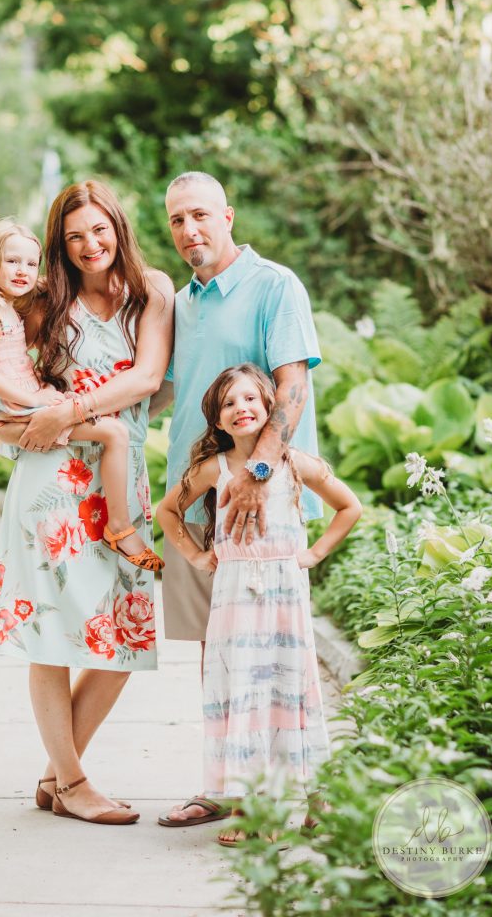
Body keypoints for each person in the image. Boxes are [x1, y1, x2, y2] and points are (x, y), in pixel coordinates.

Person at [0, 182, 174, 825]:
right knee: (54, 635)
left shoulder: (152, 293)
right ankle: (74, 782)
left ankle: (57, 777)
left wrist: (71, 408)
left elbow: (147, 378)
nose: (90, 245)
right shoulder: (42, 301)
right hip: (53, 483)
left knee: (128, 634)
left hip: (122, 479)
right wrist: (12, 427)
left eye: (99, 229)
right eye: (73, 237)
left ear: (119, 225)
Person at [153, 170, 323, 826]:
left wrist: (256, 472)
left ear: (227, 217)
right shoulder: (182, 302)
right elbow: (165, 388)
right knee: (216, 656)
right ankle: (224, 786)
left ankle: (298, 795)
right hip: (198, 503)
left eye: (198, 215)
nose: (188, 230)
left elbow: (290, 387)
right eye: (175, 220)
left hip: (264, 508)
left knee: (279, 656)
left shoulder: (273, 285)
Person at [156, 364, 361, 845]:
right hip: (234, 597)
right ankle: (253, 806)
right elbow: (168, 511)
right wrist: (195, 554)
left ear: (269, 408)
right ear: (218, 421)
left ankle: (316, 802)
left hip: (286, 594)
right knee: (243, 692)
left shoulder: (294, 463)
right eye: (229, 404)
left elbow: (349, 505)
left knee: (293, 688)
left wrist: (313, 553)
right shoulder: (214, 468)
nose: (241, 409)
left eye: (250, 399)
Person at [0, 217, 163, 571]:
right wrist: (37, 401)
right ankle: (119, 526)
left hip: (20, 394)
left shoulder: (11, 309)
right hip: (13, 397)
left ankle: (8, 434)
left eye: (31, 263)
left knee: (109, 430)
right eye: (12, 261)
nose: (23, 270)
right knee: (112, 432)